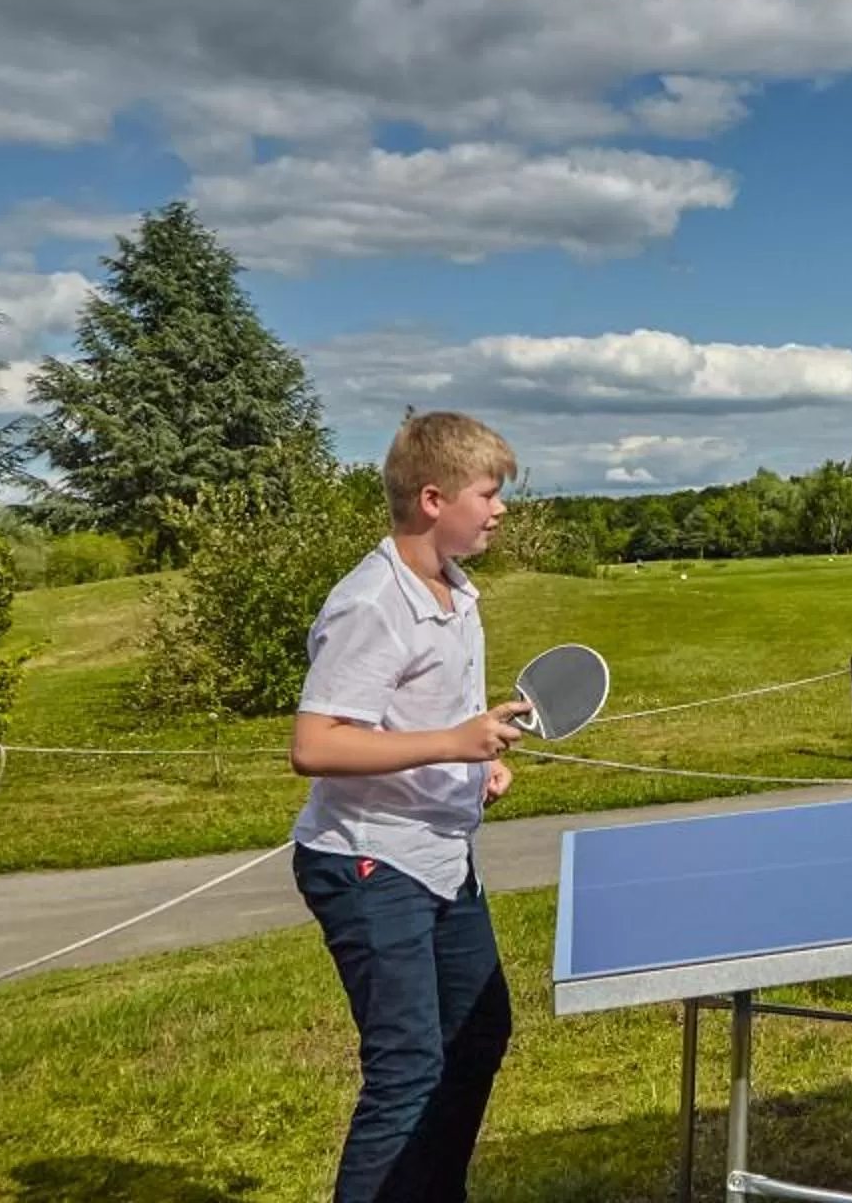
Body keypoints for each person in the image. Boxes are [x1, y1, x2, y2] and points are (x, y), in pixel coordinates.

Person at [288, 411, 531, 1203]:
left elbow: (423, 725)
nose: (500, 509)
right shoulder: (371, 603)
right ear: (434, 498)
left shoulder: (459, 593)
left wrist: (476, 764)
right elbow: (317, 746)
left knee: (479, 1031)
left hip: (441, 854)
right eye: (489, 494)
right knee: (407, 1070)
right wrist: (453, 745)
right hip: (368, 862)